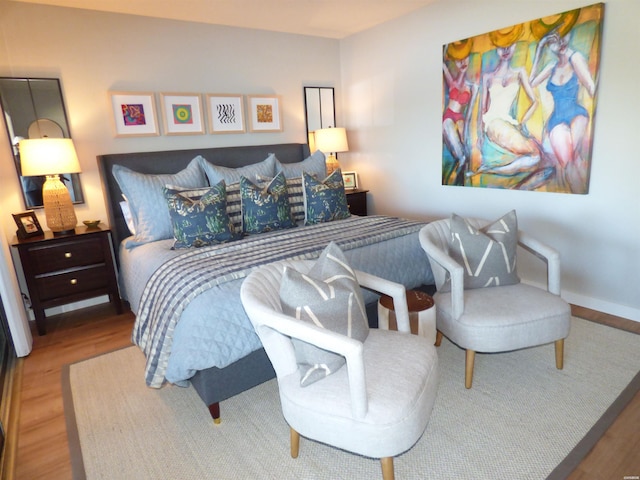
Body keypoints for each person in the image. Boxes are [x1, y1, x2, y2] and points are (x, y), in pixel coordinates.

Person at [529, 22, 596, 194]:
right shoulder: (551, 68)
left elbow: (591, 87)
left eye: (564, 34)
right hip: (556, 120)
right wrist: (539, 48)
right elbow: (531, 83)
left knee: (572, 163)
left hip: (577, 114)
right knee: (571, 162)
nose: (560, 42)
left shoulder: (576, 58)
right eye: (553, 40)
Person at [474, 25, 543, 180]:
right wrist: (480, 135)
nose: (505, 51)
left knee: (537, 157)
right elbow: (482, 110)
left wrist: (522, 122)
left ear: (514, 47)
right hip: (493, 123)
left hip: (508, 123)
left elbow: (534, 101)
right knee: (535, 155)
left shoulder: (519, 72)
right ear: (496, 48)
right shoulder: (488, 77)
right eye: (501, 47)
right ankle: (488, 169)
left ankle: (490, 170)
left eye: (509, 46)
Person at [442, 39, 478, 185]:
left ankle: (459, 181)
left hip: (461, 118)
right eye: (458, 60)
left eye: (465, 58)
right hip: (449, 115)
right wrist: (445, 49)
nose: (462, 63)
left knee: (466, 150)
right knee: (460, 155)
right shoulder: (452, 82)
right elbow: (443, 65)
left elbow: (471, 108)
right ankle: (456, 180)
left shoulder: (472, 84)